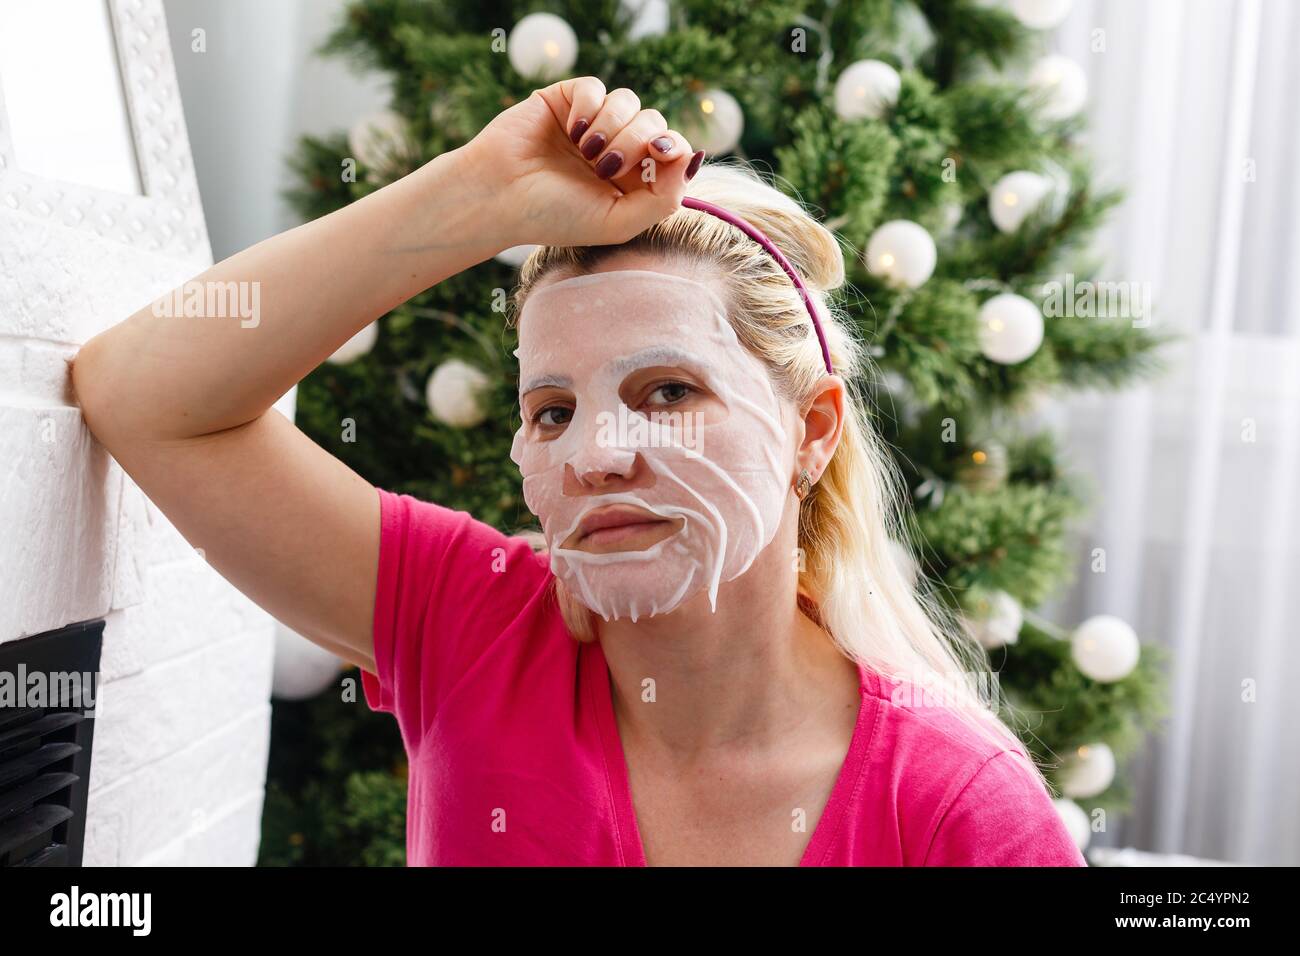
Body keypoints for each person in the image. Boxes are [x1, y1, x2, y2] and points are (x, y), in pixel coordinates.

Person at [73, 77, 1086, 867]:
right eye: (551, 410)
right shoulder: (468, 623)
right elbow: (144, 395)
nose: (596, 454)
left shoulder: (958, 805)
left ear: (812, 430)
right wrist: (477, 198)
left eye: (668, 391)